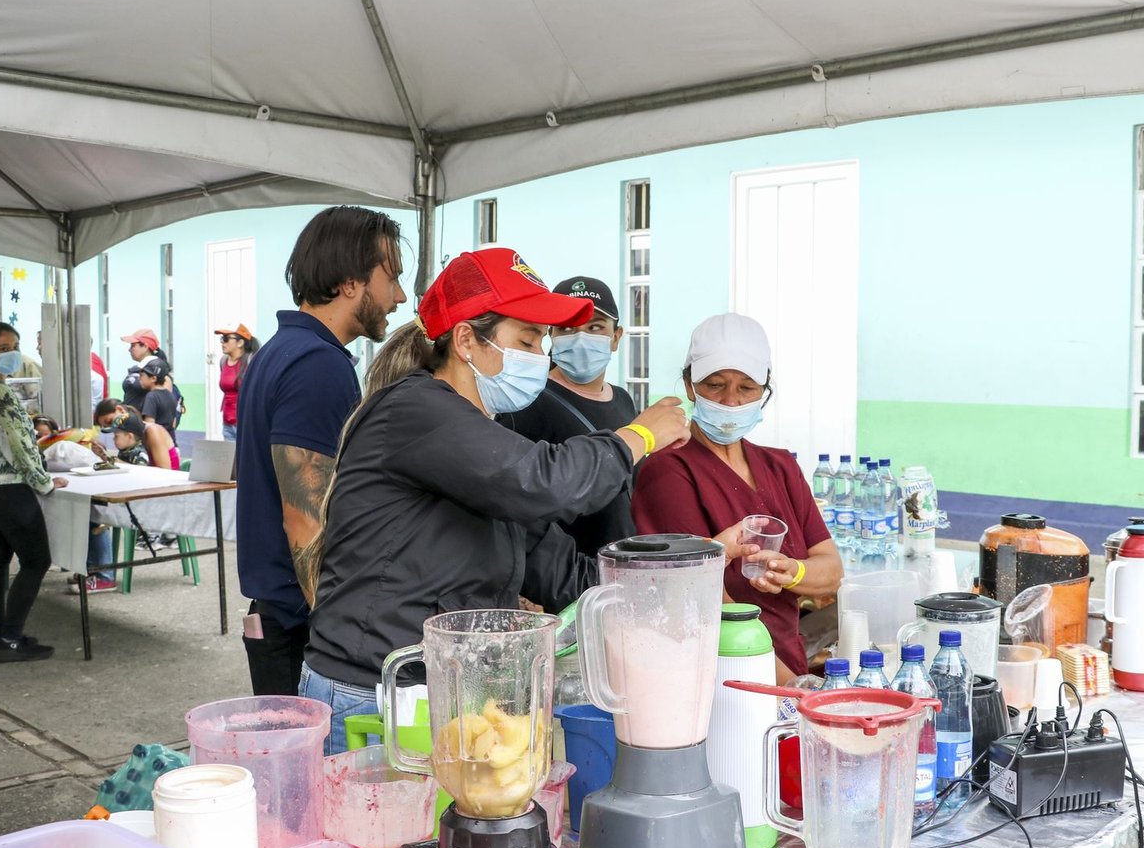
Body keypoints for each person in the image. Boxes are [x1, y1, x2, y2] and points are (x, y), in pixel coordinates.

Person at [300, 248, 691, 752]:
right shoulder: (417, 411)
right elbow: (545, 482)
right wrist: (638, 435)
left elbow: (552, 564)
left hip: (445, 689)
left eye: (541, 341)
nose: (540, 356)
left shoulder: (478, 437)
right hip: (374, 691)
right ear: (467, 339)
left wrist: (662, 583)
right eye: (526, 341)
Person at [235, 206, 408, 697]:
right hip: (301, 624)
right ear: (350, 283)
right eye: (392, 278)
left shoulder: (280, 351)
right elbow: (304, 518)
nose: (399, 297)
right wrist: (339, 634)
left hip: (282, 615)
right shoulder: (317, 365)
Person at [630, 313, 844, 682]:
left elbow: (831, 571)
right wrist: (789, 687)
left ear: (764, 390)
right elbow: (699, 595)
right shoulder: (667, 471)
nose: (730, 401)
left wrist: (793, 572)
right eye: (715, 385)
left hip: (784, 661)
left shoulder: (781, 467)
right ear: (690, 386)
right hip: (724, 671)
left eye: (746, 388)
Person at [498, 277, 638, 555]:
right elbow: (516, 501)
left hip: (618, 563)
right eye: (567, 328)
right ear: (551, 335)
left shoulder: (623, 400)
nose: (581, 338)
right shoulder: (527, 401)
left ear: (616, 337)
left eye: (595, 327)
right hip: (562, 572)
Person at [0, 322, 66, 663]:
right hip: (10, 487)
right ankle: (10, 637)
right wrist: (43, 481)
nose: (12, 353)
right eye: (4, 348)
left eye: (15, 346)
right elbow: (18, 443)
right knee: (36, 560)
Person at [216, 324, 260, 442]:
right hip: (227, 423)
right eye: (222, 339)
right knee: (229, 454)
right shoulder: (223, 361)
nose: (222, 343)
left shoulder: (251, 361)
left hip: (246, 423)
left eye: (226, 339)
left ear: (240, 342)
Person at [106, 409, 177, 471]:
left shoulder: (152, 432)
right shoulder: (128, 447)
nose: (113, 439)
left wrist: (120, 463)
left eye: (116, 436)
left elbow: (164, 470)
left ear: (130, 436)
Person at [118, 328, 167, 412]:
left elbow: (163, 403)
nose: (129, 350)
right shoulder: (137, 368)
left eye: (133, 346)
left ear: (145, 346)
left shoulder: (158, 370)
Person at [134, 358, 180, 442]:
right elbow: (173, 423)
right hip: (170, 441)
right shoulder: (171, 395)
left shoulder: (151, 397)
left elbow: (150, 426)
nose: (139, 379)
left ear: (153, 378)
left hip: (157, 443)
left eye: (142, 376)